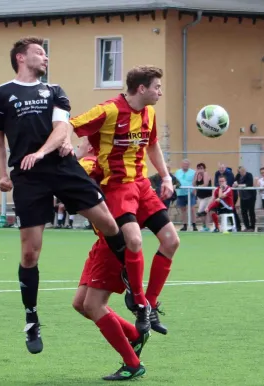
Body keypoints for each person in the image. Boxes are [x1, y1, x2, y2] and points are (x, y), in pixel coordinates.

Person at [0, 36, 128, 354]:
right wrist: (1, 174)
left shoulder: (54, 91)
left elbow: (62, 128)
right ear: (21, 57)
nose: (45, 56)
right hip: (27, 176)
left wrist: (41, 152)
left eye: (46, 52)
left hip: (62, 168)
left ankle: (130, 282)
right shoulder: (0, 94)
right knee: (29, 254)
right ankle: (31, 318)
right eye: (39, 52)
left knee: (108, 222)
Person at [69, 65, 180, 336]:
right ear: (141, 88)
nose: (160, 92)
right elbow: (70, 125)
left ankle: (149, 304)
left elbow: (152, 145)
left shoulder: (149, 113)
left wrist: (165, 177)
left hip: (141, 186)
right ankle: (139, 303)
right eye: (157, 87)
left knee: (172, 240)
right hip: (117, 187)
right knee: (134, 240)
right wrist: (60, 148)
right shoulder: (108, 110)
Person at [73, 235, 149, 380]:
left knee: (93, 305)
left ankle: (133, 364)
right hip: (100, 245)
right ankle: (135, 335)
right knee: (80, 303)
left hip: (113, 248)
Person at [174, 159, 197, 231]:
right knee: (183, 210)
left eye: (187, 164)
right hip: (180, 193)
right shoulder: (177, 172)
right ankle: (185, 225)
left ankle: (194, 225)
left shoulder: (193, 172)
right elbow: (175, 181)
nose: (185, 166)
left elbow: (196, 182)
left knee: (192, 209)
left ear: (189, 165)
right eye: (184, 164)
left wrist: (194, 190)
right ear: (181, 164)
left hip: (190, 193)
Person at [233, 166, 256, 231]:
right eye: (239, 172)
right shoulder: (238, 175)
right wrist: (235, 184)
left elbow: (249, 184)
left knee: (251, 211)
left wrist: (239, 185)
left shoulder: (249, 175)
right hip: (243, 197)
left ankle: (252, 227)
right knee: (243, 212)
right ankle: (247, 227)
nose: (241, 173)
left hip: (250, 196)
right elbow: (234, 182)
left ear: (244, 171)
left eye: (242, 172)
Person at [193, 163, 212, 232]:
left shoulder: (205, 174)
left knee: (201, 211)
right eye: (198, 168)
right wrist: (195, 175)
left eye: (201, 168)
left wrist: (199, 187)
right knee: (204, 212)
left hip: (207, 197)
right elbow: (193, 184)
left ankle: (207, 226)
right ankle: (205, 226)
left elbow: (206, 184)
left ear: (204, 169)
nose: (200, 170)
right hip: (199, 197)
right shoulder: (197, 175)